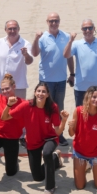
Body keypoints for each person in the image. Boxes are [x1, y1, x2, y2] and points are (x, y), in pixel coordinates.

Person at [3, 82, 69, 194]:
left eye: (44, 91)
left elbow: (58, 132)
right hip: (33, 142)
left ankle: (50, 186)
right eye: (38, 91)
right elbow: (5, 117)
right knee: (37, 177)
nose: (41, 93)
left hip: (50, 138)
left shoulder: (53, 107)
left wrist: (63, 120)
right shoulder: (26, 105)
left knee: (47, 153)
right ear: (34, 92)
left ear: (48, 94)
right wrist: (8, 105)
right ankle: (55, 159)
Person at [31, 12, 74, 145]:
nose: (54, 23)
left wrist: (72, 74)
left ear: (59, 22)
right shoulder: (42, 37)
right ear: (47, 22)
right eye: (51, 21)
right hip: (45, 81)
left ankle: (58, 135)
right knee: (43, 108)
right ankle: (44, 133)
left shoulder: (66, 36)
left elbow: (69, 57)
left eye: (56, 21)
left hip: (61, 80)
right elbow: (34, 53)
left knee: (59, 108)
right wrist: (36, 39)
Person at [63, 18, 97, 106]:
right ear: (82, 30)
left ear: (94, 28)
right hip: (81, 87)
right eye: (85, 28)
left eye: (90, 28)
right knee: (81, 115)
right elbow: (66, 55)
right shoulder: (76, 44)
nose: (87, 30)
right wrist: (70, 41)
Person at [0, 20, 33, 98]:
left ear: (19, 29)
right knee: (0, 109)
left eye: (15, 28)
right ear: (5, 30)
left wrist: (26, 55)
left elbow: (29, 61)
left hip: (18, 86)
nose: (12, 31)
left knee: (19, 109)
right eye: (10, 29)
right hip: (1, 86)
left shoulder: (26, 44)